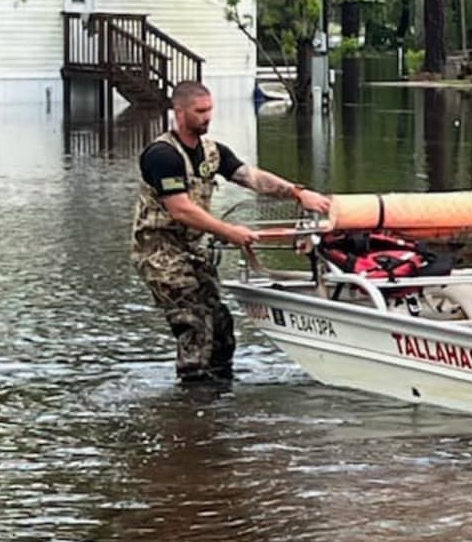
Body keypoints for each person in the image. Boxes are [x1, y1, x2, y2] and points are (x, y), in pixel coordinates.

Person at [131, 81, 332, 384]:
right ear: (179, 112)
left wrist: (296, 193)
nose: (207, 117)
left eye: (210, 109)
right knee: (195, 323)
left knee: (221, 325)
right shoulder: (163, 155)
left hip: (192, 251)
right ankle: (194, 397)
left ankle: (220, 392)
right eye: (200, 111)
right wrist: (230, 232)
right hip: (160, 253)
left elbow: (250, 177)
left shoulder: (212, 152)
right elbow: (181, 209)